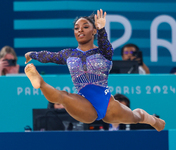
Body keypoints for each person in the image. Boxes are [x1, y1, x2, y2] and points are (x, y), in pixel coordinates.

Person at [24, 9, 165, 132]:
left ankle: (154, 121)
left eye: (85, 27)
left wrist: (102, 29)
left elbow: (106, 45)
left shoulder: (104, 52)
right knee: (64, 96)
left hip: (107, 103)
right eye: (76, 28)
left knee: (135, 118)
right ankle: (40, 82)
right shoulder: (68, 54)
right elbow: (50, 56)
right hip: (84, 102)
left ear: (94, 31)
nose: (80, 30)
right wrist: (33, 54)